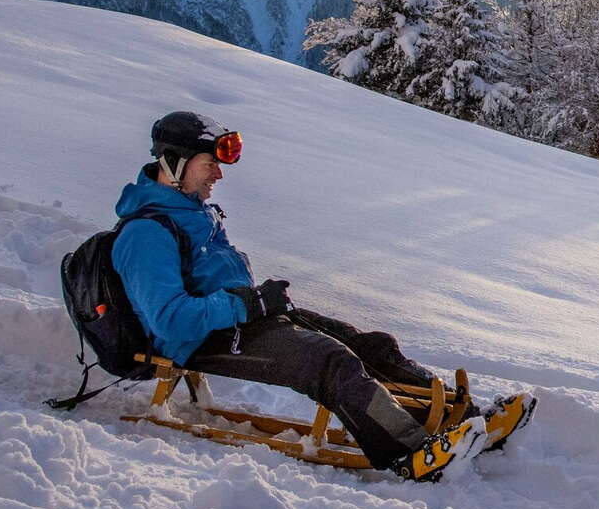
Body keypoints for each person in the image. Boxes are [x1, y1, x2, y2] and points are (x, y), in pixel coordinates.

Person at [114, 110, 479, 480]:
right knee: (328, 360)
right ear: (175, 164)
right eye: (210, 164)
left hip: (239, 321)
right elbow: (170, 319)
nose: (219, 175)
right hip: (199, 340)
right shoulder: (146, 233)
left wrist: (256, 302)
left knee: (368, 345)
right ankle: (411, 453)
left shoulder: (192, 212)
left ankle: (461, 419)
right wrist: (246, 304)